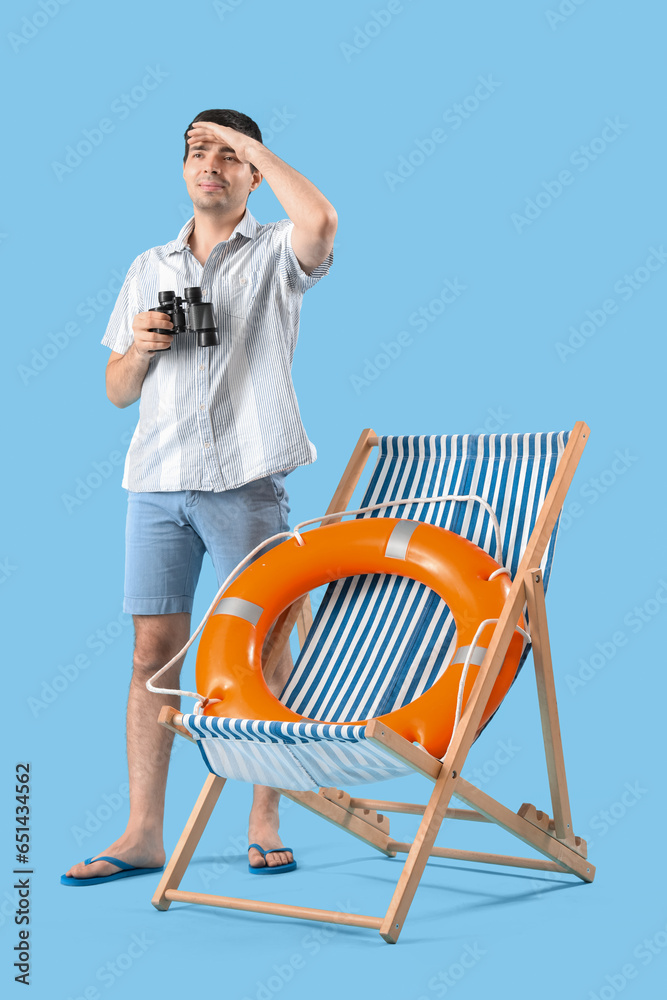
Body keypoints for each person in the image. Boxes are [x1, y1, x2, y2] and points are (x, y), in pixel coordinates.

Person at [62, 108, 336, 884]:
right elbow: (115, 390)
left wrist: (254, 145)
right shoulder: (149, 265)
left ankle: (265, 812)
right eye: (195, 150)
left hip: (245, 480)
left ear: (252, 171)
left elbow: (320, 219)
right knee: (152, 650)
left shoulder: (278, 250)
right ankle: (143, 831)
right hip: (155, 483)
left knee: (266, 641)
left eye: (226, 153)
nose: (207, 163)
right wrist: (142, 350)